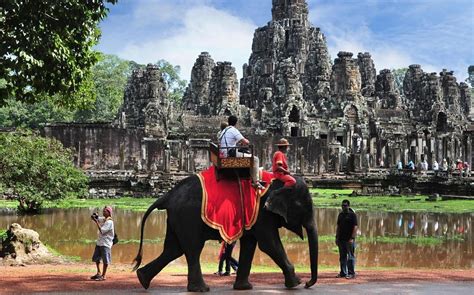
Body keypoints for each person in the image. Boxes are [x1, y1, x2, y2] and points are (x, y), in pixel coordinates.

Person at [219, 115, 262, 188]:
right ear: (236, 123)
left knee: (242, 152)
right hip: (230, 154)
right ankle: (256, 182)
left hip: (224, 152)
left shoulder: (223, 131)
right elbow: (246, 142)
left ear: (228, 122)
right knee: (255, 159)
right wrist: (245, 141)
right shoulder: (234, 130)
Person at [90, 206, 115, 281]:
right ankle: (98, 273)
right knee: (97, 258)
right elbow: (94, 218)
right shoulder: (104, 219)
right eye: (103, 211)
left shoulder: (109, 222)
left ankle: (103, 275)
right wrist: (94, 216)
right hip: (100, 242)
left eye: (105, 211)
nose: (103, 212)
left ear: (109, 213)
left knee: (105, 260)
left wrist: (96, 221)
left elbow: (102, 231)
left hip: (106, 243)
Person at [335, 200, 358, 279]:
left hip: (349, 240)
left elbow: (355, 227)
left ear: (348, 206)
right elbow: (338, 226)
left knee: (350, 256)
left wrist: (352, 238)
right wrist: (337, 237)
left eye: (345, 205)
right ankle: (343, 273)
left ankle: (351, 273)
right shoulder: (340, 215)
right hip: (341, 239)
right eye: (342, 205)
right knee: (342, 256)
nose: (343, 207)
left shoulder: (352, 215)